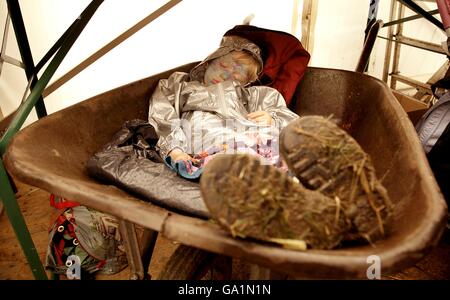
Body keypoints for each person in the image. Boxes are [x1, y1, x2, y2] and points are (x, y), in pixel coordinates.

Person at [148, 35, 299, 178]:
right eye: (223, 66)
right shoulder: (180, 85)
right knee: (212, 136)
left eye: (237, 75)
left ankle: (271, 166)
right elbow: (163, 115)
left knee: (274, 142)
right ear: (208, 62)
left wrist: (273, 120)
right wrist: (174, 150)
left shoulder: (252, 95)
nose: (225, 75)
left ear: (245, 82)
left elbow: (292, 121)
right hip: (209, 137)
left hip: (251, 136)